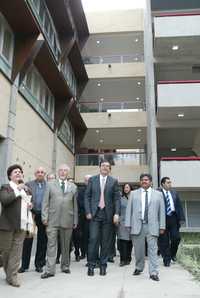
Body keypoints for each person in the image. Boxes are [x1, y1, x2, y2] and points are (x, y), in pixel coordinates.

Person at [125, 173, 165, 281]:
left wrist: (162, 226)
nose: (144, 181)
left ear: (151, 182)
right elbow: (129, 210)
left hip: (153, 226)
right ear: (140, 182)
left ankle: (153, 272)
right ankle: (139, 267)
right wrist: (128, 224)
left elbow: (161, 212)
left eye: (146, 180)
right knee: (138, 250)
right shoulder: (133, 194)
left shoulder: (158, 194)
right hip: (137, 225)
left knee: (153, 249)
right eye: (142, 180)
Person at [41, 164, 78, 279]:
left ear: (68, 173)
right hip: (52, 220)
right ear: (58, 172)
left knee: (66, 245)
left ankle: (65, 266)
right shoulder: (50, 185)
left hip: (68, 219)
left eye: (65, 171)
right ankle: (49, 270)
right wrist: (44, 217)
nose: (62, 172)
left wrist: (75, 220)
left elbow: (75, 205)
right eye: (60, 170)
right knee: (51, 245)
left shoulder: (73, 187)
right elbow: (45, 202)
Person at [84, 160, 120, 276]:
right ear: (99, 167)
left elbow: (117, 199)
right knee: (93, 240)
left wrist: (117, 213)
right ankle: (91, 265)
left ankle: (103, 265)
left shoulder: (113, 181)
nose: (105, 167)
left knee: (105, 242)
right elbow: (87, 196)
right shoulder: (92, 180)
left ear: (110, 169)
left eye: (107, 166)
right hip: (94, 215)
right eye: (103, 165)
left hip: (108, 216)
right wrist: (88, 211)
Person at [0, 164, 33, 287]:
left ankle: (12, 276)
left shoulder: (27, 189)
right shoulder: (6, 187)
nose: (18, 173)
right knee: (6, 252)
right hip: (7, 225)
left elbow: (29, 202)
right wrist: (17, 189)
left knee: (17, 252)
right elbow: (5, 200)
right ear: (10, 176)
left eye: (20, 171)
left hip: (22, 225)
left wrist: (30, 206)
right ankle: (9, 274)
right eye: (15, 172)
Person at [158, 177, 185, 266]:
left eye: (170, 182)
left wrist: (181, 218)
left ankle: (172, 254)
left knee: (176, 238)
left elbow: (179, 206)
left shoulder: (174, 192)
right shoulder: (157, 193)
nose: (170, 184)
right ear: (162, 184)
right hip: (163, 218)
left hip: (173, 218)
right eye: (168, 182)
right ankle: (166, 260)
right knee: (164, 241)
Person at [25, 167, 48, 273]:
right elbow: (24, 198)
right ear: (35, 174)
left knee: (42, 240)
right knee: (28, 240)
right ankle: (24, 265)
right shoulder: (28, 184)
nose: (40, 174)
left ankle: (39, 264)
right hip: (32, 215)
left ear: (44, 174)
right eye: (38, 172)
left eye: (42, 172)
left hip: (44, 215)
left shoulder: (49, 185)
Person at [72, 175, 91, 262]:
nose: (88, 181)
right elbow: (79, 202)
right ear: (84, 181)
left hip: (92, 216)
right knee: (82, 235)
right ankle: (82, 253)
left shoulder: (94, 189)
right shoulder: (80, 190)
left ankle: (88, 252)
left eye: (89, 180)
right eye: (86, 180)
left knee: (89, 235)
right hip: (82, 215)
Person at [117, 183, 133, 266]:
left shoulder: (134, 197)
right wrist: (118, 219)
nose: (126, 189)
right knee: (123, 241)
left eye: (127, 187)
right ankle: (122, 260)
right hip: (122, 222)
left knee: (130, 241)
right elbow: (117, 210)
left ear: (130, 188)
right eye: (124, 187)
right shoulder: (120, 198)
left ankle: (128, 258)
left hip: (132, 222)